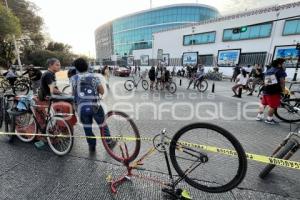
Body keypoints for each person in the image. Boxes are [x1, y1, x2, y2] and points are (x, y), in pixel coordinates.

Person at [71, 58, 116, 152]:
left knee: (87, 127)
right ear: (87, 66)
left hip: (81, 107)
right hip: (95, 106)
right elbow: (102, 91)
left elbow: (73, 94)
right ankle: (109, 142)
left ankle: (92, 145)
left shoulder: (73, 79)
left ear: (76, 68)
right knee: (102, 124)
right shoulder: (94, 77)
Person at [256, 58, 287, 124]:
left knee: (263, 104)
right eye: (284, 63)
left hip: (266, 89)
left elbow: (266, 80)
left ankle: (259, 116)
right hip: (274, 91)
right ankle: (269, 119)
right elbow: (282, 82)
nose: (285, 64)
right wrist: (284, 90)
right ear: (279, 64)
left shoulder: (270, 69)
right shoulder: (280, 71)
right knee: (273, 106)